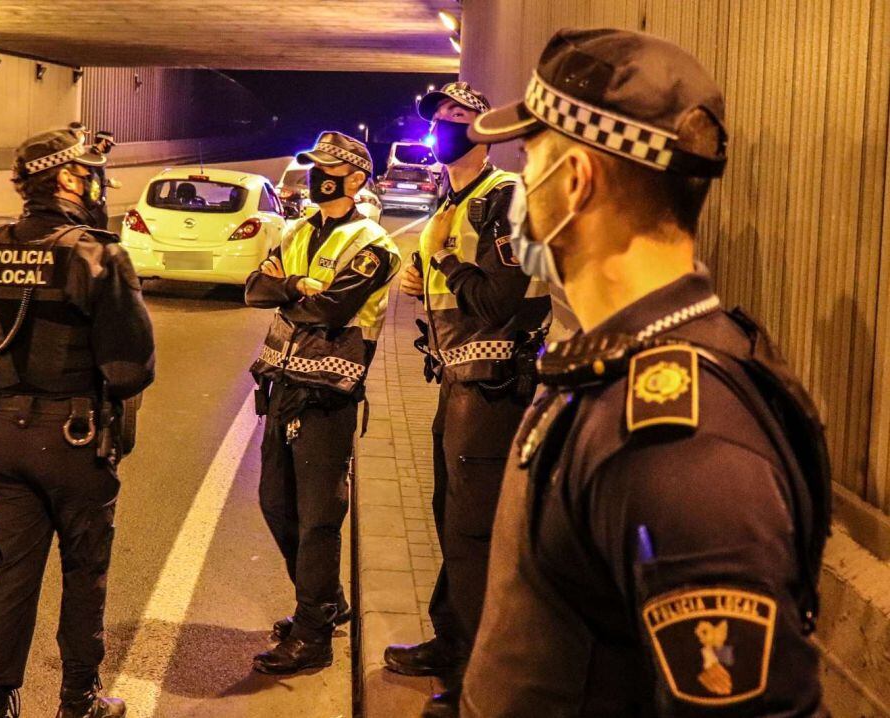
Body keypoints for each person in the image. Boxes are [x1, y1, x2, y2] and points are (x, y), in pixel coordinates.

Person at [458, 28, 831, 716]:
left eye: (530, 156)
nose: (521, 185)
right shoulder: (615, 367)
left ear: (575, 181)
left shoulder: (680, 445)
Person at [0, 129, 156, 718]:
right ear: (69, 179)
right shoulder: (97, 254)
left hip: (5, 433)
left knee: (12, 576)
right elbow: (130, 369)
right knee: (84, 571)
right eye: (91, 173)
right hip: (74, 438)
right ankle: (79, 700)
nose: (98, 184)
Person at [382, 82, 552, 717]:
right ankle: (451, 640)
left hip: (494, 388)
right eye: (438, 117)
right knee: (450, 519)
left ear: (484, 131)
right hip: (459, 384)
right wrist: (423, 280)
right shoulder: (453, 199)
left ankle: (476, 676)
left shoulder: (505, 197)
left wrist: (447, 265)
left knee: (475, 532)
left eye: (459, 116)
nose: (444, 126)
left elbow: (501, 300)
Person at [246, 131, 401, 674]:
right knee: (275, 504)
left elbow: (332, 311)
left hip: (328, 396)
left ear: (355, 179)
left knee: (318, 519)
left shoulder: (374, 245)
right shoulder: (296, 231)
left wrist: (292, 293)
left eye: (328, 170)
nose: (317, 178)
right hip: (282, 389)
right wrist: (297, 285)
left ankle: (313, 634)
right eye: (314, 167)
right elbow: (253, 290)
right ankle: (327, 601)